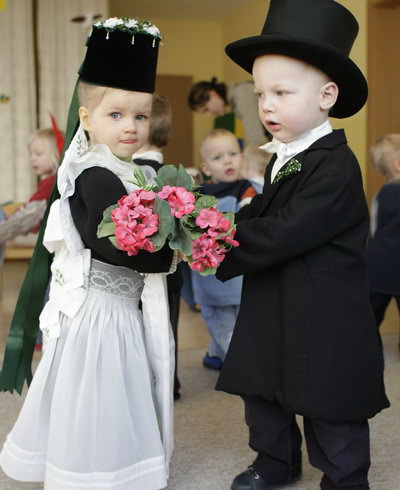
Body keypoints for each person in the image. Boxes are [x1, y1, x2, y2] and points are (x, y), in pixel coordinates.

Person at [213, 1, 389, 489]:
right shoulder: (282, 156)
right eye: (261, 92)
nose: (267, 104)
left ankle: (345, 476)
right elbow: (265, 211)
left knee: (327, 395)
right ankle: (274, 460)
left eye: (282, 92)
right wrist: (214, 224)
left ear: (327, 95)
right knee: (262, 384)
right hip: (276, 293)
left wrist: (227, 241)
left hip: (323, 304)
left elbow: (291, 227)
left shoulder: (336, 164)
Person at [0, 17, 175, 490]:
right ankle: (87, 473)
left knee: (118, 393)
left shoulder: (135, 171)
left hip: (122, 306)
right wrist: (169, 251)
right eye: (116, 115)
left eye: (140, 117)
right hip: (99, 309)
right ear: (86, 119)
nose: (131, 127)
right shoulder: (93, 174)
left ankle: (119, 465)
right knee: (96, 393)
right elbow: (116, 246)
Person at [192, 128, 257, 370]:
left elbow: (251, 215)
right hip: (211, 275)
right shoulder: (199, 196)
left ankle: (215, 354)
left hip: (240, 275)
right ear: (206, 168)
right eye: (218, 157)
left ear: (242, 158)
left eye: (233, 153)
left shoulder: (247, 189)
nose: (227, 160)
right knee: (221, 323)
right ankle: (237, 364)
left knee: (242, 321)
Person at [134, 92, 183, 400]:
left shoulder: (137, 174)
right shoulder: (174, 172)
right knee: (168, 323)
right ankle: (170, 381)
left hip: (146, 267)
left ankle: (151, 383)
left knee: (144, 326)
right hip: (172, 268)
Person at [366, 134, 400, 352]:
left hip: (377, 268)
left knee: (370, 317)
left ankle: (366, 349)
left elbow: (373, 228)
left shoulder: (380, 194)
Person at [188, 77, 268, 148]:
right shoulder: (238, 98)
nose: (209, 114)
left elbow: (257, 141)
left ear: (213, 94)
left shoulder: (242, 95)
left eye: (206, 109)